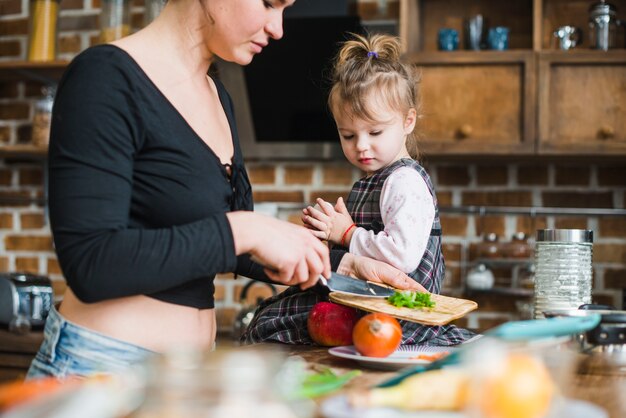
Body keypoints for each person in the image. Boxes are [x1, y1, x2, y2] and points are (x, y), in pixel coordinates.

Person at [26, 1, 420, 380]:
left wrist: (343, 264)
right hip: (102, 369)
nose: (278, 28)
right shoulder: (106, 77)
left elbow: (236, 248)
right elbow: (91, 264)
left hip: (190, 374)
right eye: (269, 3)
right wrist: (245, 228)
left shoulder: (219, 97)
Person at [244, 33, 474, 346]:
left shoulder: (404, 180)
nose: (361, 146)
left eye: (375, 132)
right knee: (276, 317)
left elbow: (401, 256)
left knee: (273, 324)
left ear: (408, 121)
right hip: (369, 300)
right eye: (348, 136)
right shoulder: (378, 177)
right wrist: (329, 233)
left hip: (398, 312)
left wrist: (348, 233)